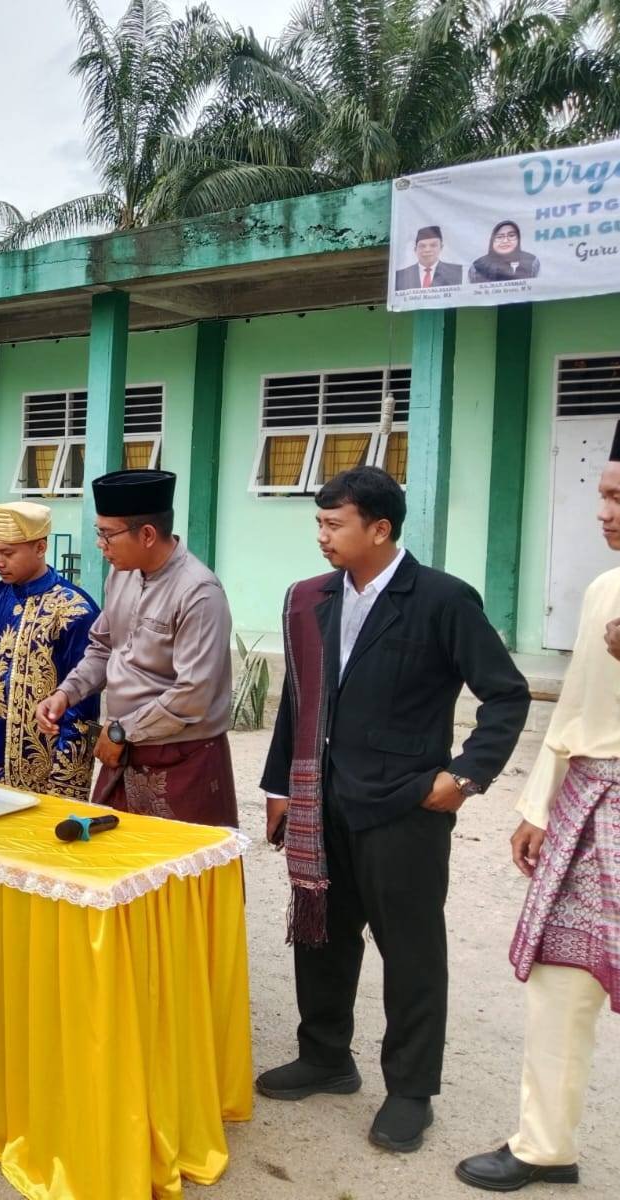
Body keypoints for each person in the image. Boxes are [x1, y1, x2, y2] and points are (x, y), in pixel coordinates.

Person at [257, 466, 530, 1154]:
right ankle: (326, 1057)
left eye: (333, 524)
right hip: (323, 800)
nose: (321, 536)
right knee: (320, 932)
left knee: (410, 950)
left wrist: (464, 777)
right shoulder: (313, 599)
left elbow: (506, 692)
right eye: (318, 524)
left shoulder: (440, 599)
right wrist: (280, 788)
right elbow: (300, 699)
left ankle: (411, 1092)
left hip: (404, 806)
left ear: (380, 528)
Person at [455, 420, 620, 1194]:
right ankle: (543, 1146)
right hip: (589, 809)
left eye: (619, 497)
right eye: (601, 493)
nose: (603, 510)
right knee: (560, 983)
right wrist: (539, 806)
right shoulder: (605, 590)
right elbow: (572, 717)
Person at [36, 470, 238, 825]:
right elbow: (102, 649)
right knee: (113, 867)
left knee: (177, 873)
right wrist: (66, 694)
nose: (100, 544)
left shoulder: (199, 593)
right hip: (123, 752)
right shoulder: (122, 573)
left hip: (181, 760)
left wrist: (120, 730)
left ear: (146, 534)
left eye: (106, 534)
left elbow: (193, 694)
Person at [0, 502, 99, 800]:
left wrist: (65, 789)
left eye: (8, 553)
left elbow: (82, 709)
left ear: (40, 547)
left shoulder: (72, 609)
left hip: (44, 773)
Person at [393, 225, 464, 289]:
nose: (427, 250)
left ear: (441, 247)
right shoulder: (400, 276)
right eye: (422, 246)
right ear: (415, 249)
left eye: (433, 245)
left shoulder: (457, 272)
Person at [468, 219, 541, 282]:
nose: (505, 241)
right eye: (499, 237)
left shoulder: (531, 261)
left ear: (518, 239)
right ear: (492, 241)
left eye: (511, 235)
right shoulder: (477, 266)